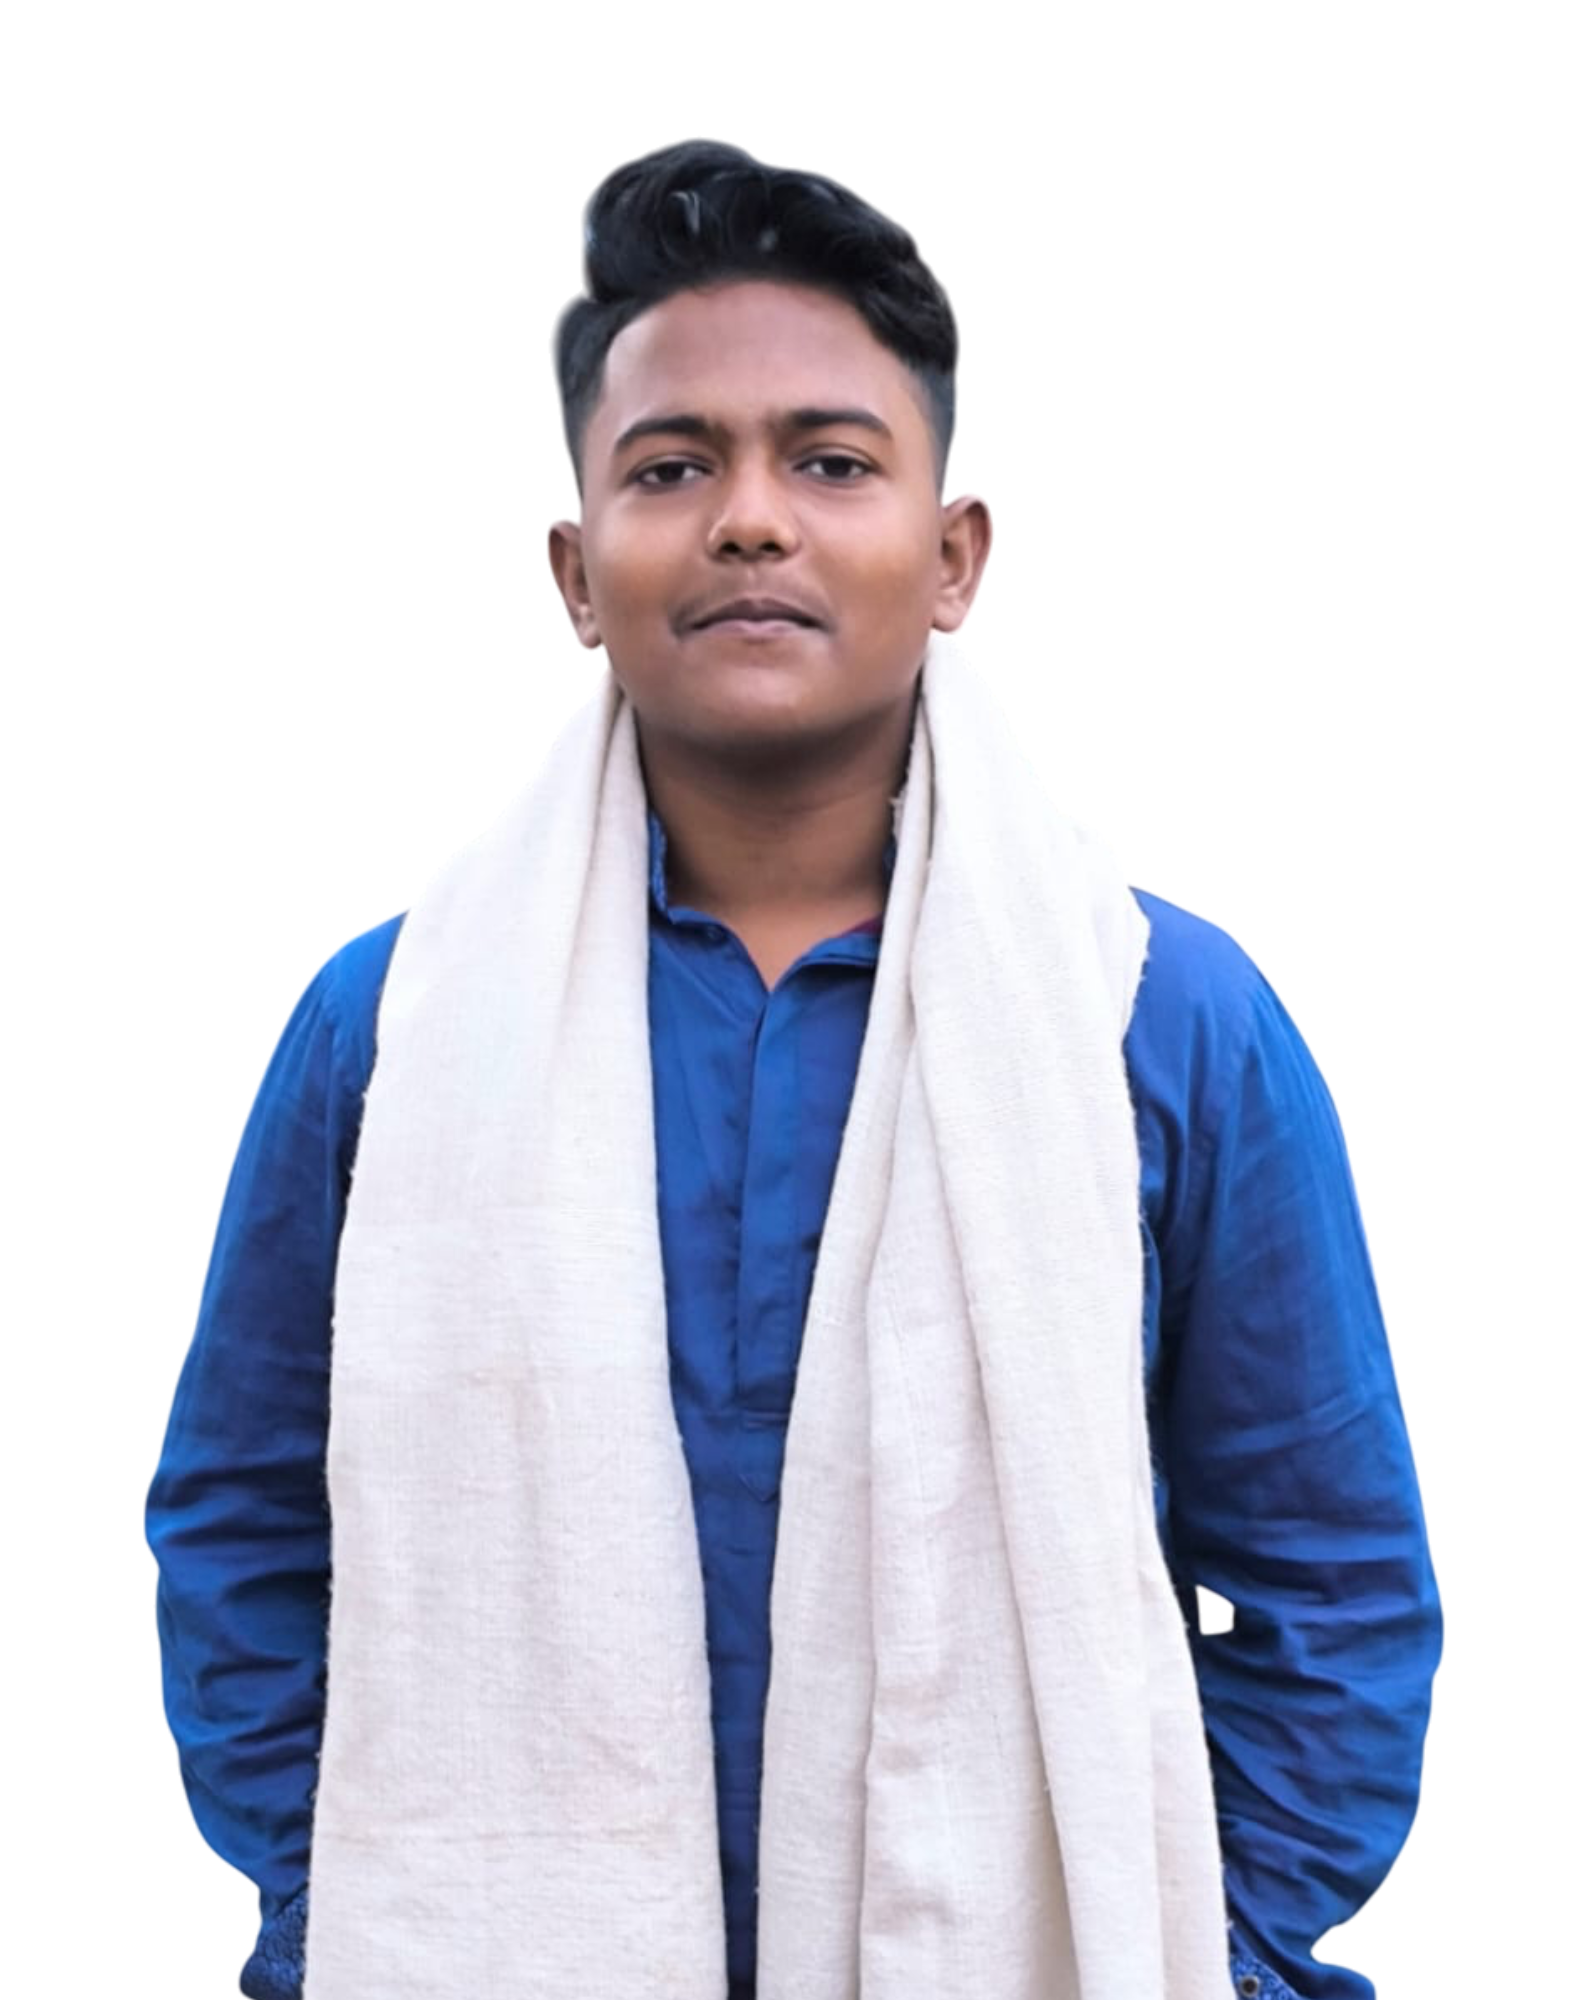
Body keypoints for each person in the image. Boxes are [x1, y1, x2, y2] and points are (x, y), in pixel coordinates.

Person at [147, 140, 1440, 2000]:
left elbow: (1332, 1578)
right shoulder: (394, 1027)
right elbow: (243, 1530)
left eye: (830, 463)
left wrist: (1197, 1947)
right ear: (577, 571)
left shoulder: (1155, 1018)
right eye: (672, 468)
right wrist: (349, 1915)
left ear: (952, 555)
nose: (750, 520)